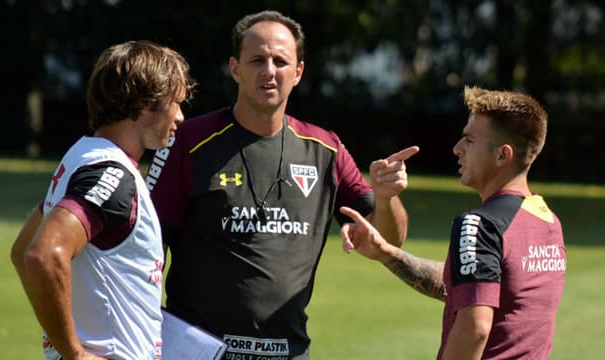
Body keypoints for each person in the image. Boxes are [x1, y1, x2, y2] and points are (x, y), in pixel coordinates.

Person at [145, 10, 418, 360]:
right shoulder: (188, 141)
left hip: (287, 353)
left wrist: (386, 198)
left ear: (298, 72)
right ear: (235, 68)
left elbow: (390, 238)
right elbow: (145, 246)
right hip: (198, 352)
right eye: (257, 60)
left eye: (280, 61)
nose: (269, 71)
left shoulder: (326, 149)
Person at [340, 86, 567, 359]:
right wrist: (388, 254)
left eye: (469, 141)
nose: (457, 149)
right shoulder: (548, 221)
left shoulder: (479, 225)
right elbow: (472, 285)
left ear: (502, 156)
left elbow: (475, 329)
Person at [10, 40, 196, 360]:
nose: (180, 116)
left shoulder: (84, 157)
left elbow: (21, 249)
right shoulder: (111, 176)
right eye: (174, 102)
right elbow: (41, 256)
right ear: (143, 102)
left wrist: (60, 344)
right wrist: (74, 353)